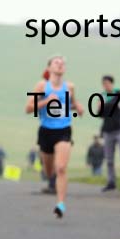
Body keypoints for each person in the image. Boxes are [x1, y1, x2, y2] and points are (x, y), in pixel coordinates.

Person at [25, 54, 83, 218]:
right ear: (49, 68)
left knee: (61, 168)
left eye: (62, 63)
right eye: (56, 63)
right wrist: (45, 101)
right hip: (46, 131)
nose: (60, 65)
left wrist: (77, 107)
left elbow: (68, 104)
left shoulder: (69, 87)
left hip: (64, 130)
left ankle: (60, 204)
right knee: (49, 171)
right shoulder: (42, 86)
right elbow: (28, 108)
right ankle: (50, 178)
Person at [98, 75, 120, 191]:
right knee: (109, 159)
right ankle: (111, 181)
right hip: (108, 130)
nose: (106, 85)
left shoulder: (119, 94)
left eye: (108, 83)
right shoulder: (102, 97)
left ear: (112, 84)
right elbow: (100, 115)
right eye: (104, 84)